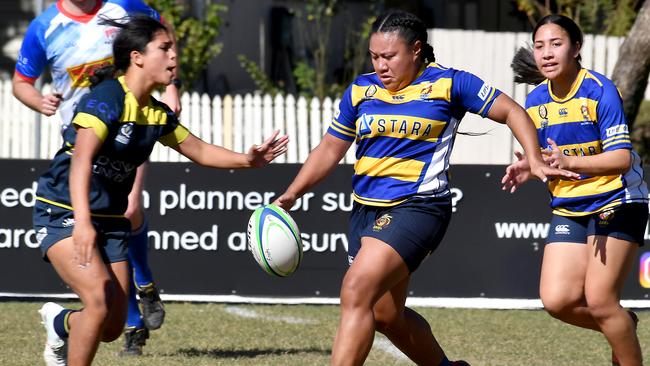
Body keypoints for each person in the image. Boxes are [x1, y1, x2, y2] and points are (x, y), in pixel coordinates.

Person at [274, 10, 575, 366]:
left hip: (419, 207)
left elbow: (512, 111)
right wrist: (291, 194)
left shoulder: (450, 84)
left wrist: (534, 157)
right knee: (386, 315)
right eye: (374, 56)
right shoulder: (361, 90)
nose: (381, 65)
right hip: (365, 210)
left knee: (355, 290)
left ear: (416, 50)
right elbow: (329, 148)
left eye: (389, 56)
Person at [30, 15, 288, 366]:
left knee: (110, 325)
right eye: (164, 48)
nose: (173, 58)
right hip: (64, 210)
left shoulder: (156, 114)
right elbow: (80, 162)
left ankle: (59, 322)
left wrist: (248, 160)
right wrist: (83, 223)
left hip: (111, 221)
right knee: (98, 302)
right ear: (137, 57)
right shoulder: (107, 99)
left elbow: (198, 150)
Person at [12, 0, 180, 356]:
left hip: (131, 135)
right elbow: (20, 82)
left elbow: (163, 38)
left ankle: (143, 286)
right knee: (100, 306)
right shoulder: (45, 27)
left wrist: (171, 88)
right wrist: (37, 100)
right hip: (86, 144)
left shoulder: (126, 6)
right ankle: (128, 308)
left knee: (132, 211)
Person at [504, 14, 647, 366]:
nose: (547, 53)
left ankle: (617, 331)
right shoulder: (536, 101)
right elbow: (546, 159)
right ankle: (621, 324)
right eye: (540, 46)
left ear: (576, 48)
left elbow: (620, 159)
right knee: (557, 301)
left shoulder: (599, 90)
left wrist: (569, 161)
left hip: (619, 198)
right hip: (571, 205)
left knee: (599, 300)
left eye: (556, 44)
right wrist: (530, 166)